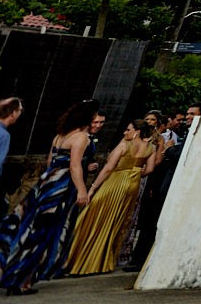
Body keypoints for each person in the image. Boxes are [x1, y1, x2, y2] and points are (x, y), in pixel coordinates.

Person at [0, 99, 96, 295]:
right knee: (44, 233)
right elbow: (75, 165)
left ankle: (16, 276)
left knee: (29, 229)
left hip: (46, 184)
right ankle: (22, 281)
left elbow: (50, 161)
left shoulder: (60, 135)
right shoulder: (81, 137)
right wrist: (82, 190)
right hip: (61, 188)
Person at [63, 121, 154, 275]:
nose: (125, 132)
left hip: (115, 183)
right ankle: (102, 262)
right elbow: (150, 169)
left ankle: (82, 260)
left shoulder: (125, 144)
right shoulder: (150, 148)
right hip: (133, 185)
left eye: (128, 129)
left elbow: (108, 167)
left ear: (137, 131)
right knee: (115, 222)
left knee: (92, 217)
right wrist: (136, 173)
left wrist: (93, 188)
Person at [128, 113, 186, 272]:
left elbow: (159, 161)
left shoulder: (160, 139)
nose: (149, 122)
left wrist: (168, 150)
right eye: (147, 119)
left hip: (149, 178)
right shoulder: (132, 136)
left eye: (153, 119)